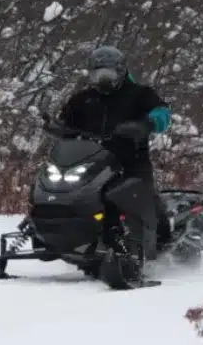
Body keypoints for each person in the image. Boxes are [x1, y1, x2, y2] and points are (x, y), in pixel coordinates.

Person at [55, 45, 172, 260]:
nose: (103, 80)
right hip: (91, 162)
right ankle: (54, 234)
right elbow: (65, 121)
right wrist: (57, 128)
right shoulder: (83, 99)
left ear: (120, 71)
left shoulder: (139, 95)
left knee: (142, 195)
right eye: (98, 74)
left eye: (107, 74)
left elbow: (163, 113)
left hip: (130, 160)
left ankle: (161, 237)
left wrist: (146, 124)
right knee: (65, 193)